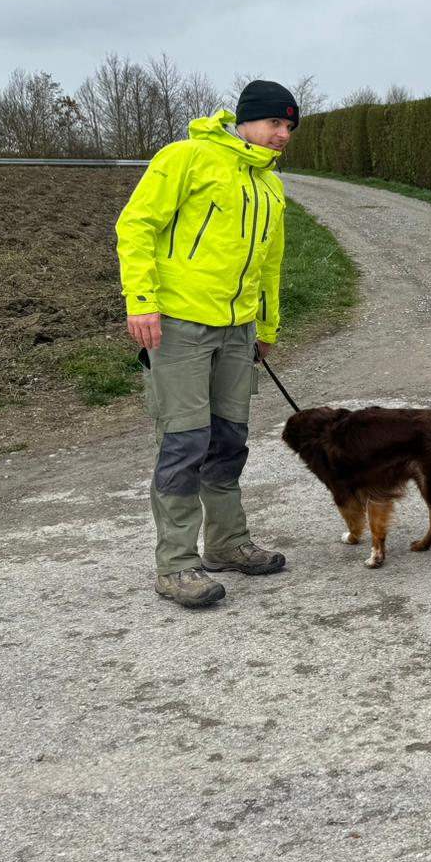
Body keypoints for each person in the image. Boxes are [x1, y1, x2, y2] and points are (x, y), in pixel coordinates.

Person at [116, 80, 300, 607]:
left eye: (289, 127)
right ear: (245, 120)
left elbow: (269, 263)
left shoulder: (271, 185)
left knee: (228, 439)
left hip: (239, 330)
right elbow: (136, 226)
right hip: (178, 325)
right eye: (275, 123)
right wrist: (142, 300)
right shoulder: (187, 157)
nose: (282, 134)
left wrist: (266, 327)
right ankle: (175, 565)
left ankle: (227, 544)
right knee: (184, 442)